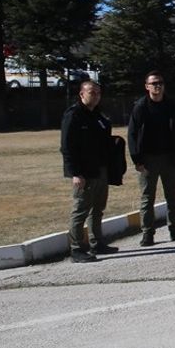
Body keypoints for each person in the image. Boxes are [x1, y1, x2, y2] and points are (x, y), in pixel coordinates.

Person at [127, 70, 175, 245]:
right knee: (148, 197)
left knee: (172, 196)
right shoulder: (141, 107)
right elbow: (132, 134)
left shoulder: (172, 105)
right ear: (147, 86)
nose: (158, 86)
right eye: (154, 83)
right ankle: (148, 233)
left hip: (170, 158)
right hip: (148, 160)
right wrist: (137, 160)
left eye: (160, 82)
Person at [60, 80, 118, 262]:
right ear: (82, 94)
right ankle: (76, 248)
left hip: (100, 169)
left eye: (98, 93)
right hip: (83, 172)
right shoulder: (74, 115)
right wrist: (75, 173)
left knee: (98, 208)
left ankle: (97, 242)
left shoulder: (99, 116)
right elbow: (66, 146)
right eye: (92, 92)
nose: (96, 96)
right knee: (80, 210)